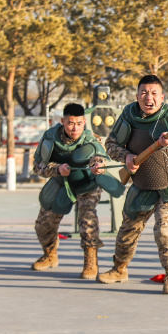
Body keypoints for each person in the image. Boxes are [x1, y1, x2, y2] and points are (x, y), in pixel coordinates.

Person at [97, 75, 168, 294]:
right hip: (142, 185)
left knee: (164, 226)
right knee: (128, 229)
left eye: (154, 93)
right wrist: (126, 156)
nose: (149, 98)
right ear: (137, 95)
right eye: (144, 93)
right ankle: (119, 269)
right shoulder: (128, 116)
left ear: (162, 96)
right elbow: (111, 145)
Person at [31, 103, 122, 279]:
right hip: (60, 183)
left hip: (86, 185)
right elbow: (38, 166)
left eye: (79, 123)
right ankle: (50, 254)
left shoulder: (90, 139)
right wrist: (56, 169)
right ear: (63, 121)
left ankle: (91, 261)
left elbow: (99, 158)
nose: (75, 128)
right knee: (42, 225)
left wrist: (98, 166)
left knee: (87, 219)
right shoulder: (50, 138)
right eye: (71, 123)